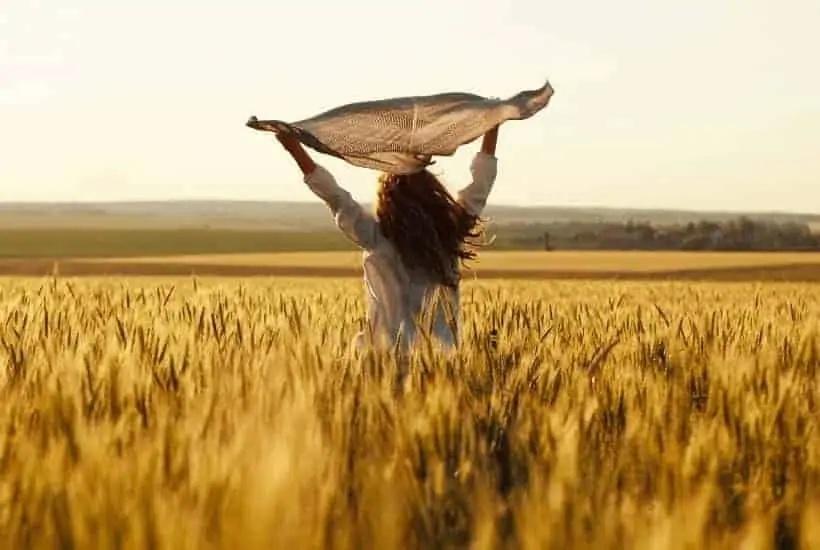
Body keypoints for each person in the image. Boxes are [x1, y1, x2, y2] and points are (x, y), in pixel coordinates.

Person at [273, 126, 499, 353]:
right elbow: (481, 185)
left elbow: (335, 197)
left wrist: (293, 147)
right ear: (431, 192)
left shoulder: (375, 235)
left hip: (385, 357)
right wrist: (492, 124)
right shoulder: (450, 231)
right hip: (443, 357)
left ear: (387, 198)